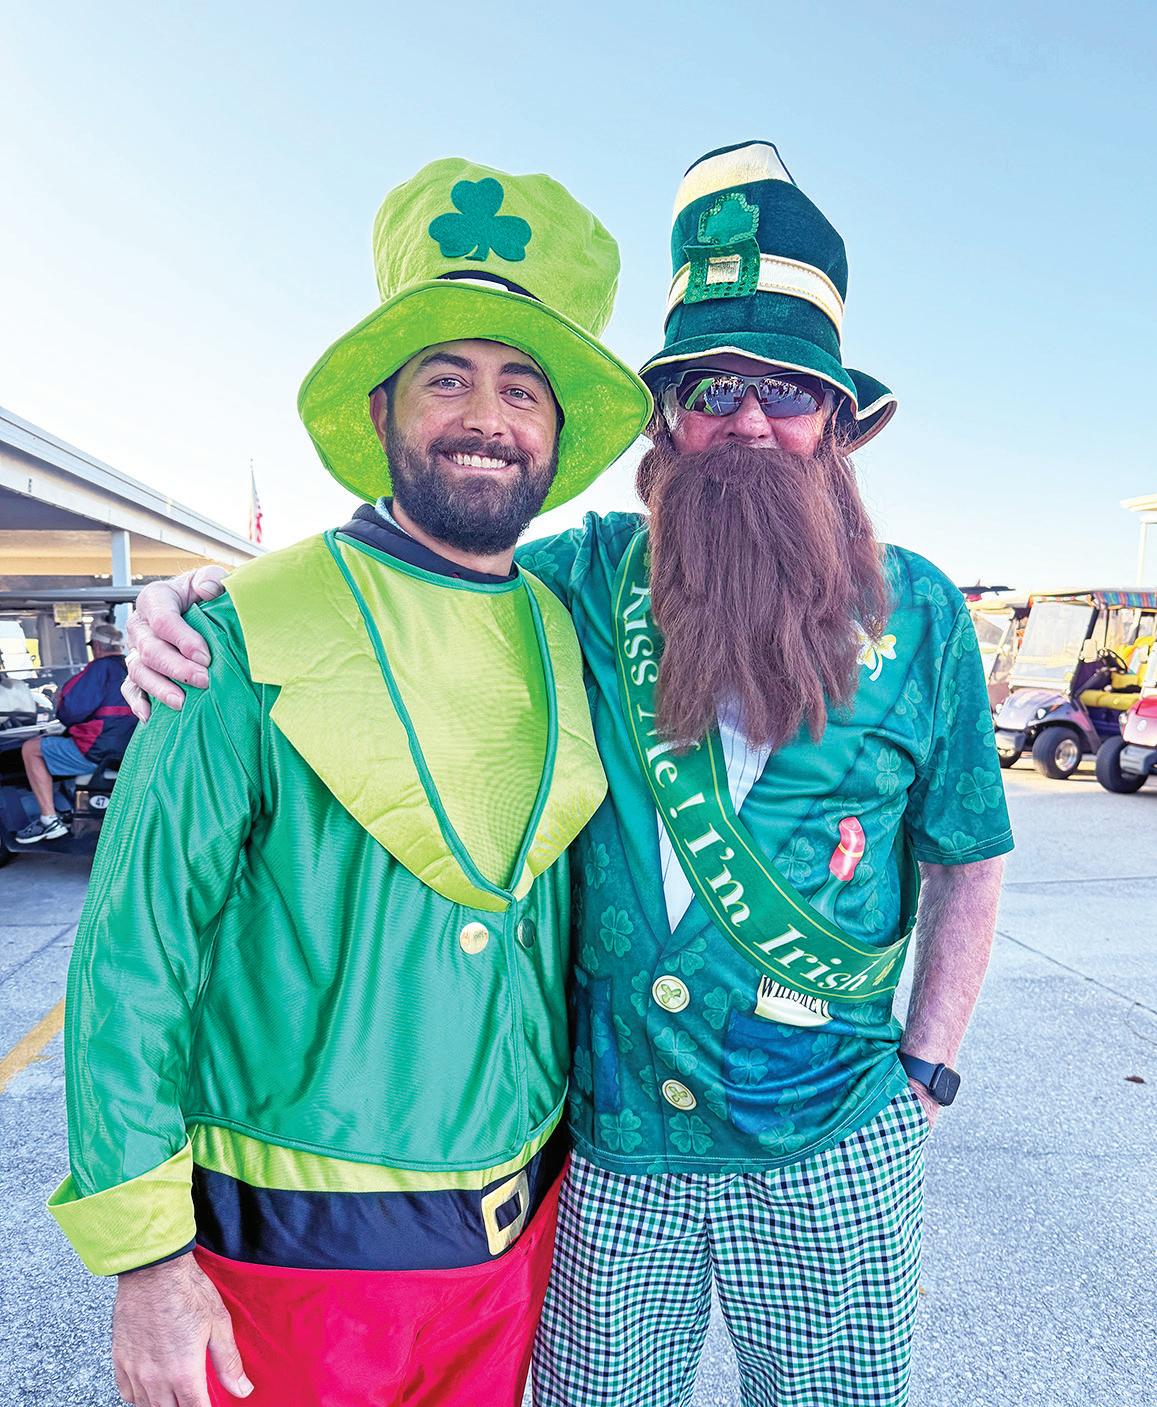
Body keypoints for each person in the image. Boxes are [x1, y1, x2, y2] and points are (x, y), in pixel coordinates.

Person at [124, 141, 1013, 1407]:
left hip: (829, 1135)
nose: (745, 420)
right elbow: (408, 566)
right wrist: (206, 598)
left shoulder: (919, 613)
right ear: (663, 419)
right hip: (610, 1149)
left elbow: (966, 857)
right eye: (709, 386)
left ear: (837, 421)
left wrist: (926, 1067)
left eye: (785, 389)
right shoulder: (577, 579)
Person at [49, 157, 649, 1407]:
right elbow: (133, 959)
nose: (486, 417)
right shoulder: (235, 638)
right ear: (381, 412)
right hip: (287, 1270)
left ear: (554, 436)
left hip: (519, 1249)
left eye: (522, 388)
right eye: (446, 377)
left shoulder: (568, 628)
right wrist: (147, 1260)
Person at [16, 621, 135, 843]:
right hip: (129, 750)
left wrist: (59, 701)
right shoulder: (131, 668)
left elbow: (69, 712)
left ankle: (49, 820)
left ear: (96, 646)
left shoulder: (98, 669)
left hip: (97, 751)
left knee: (31, 748)